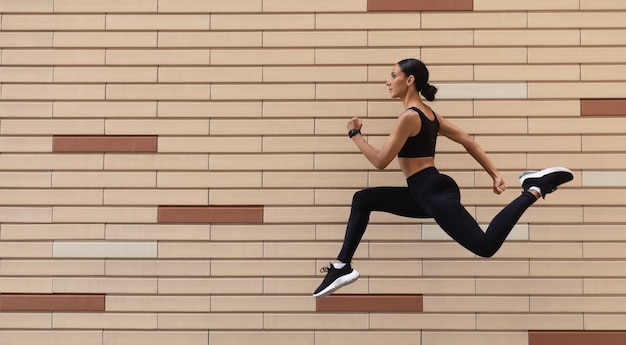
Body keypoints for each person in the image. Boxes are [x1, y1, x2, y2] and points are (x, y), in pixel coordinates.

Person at [312, 58, 573, 298]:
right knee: (363, 199)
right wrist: (494, 173)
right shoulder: (431, 116)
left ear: (410, 79)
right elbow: (468, 140)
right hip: (423, 192)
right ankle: (342, 265)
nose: (388, 81)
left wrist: (355, 135)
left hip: (430, 191)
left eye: (393, 75)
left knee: (485, 246)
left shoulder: (409, 117)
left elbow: (381, 161)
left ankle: (534, 188)